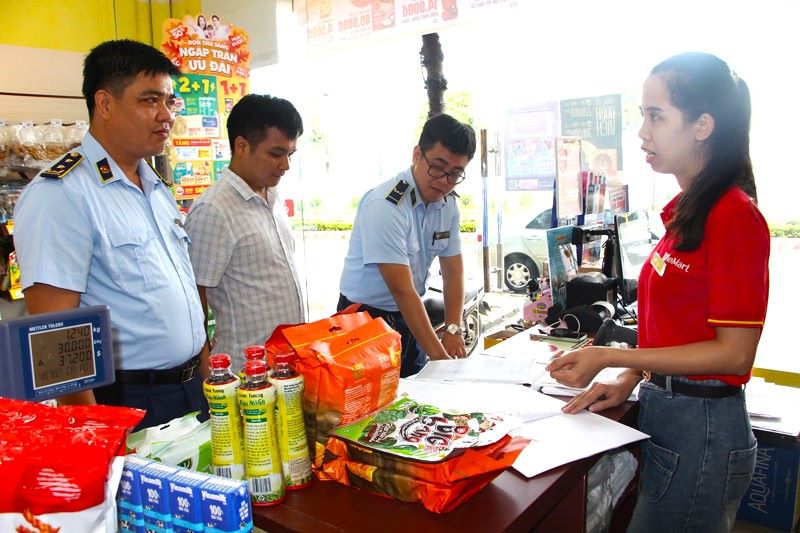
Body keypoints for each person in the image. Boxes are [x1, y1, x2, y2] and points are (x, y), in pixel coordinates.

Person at [546, 52, 770, 532]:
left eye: (655, 116)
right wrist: (630, 379)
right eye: (641, 116)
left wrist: (612, 356)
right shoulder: (687, 211)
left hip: (702, 428)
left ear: (702, 126)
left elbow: (733, 354)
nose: (642, 132)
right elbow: (675, 329)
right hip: (671, 411)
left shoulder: (732, 216)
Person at [13, 39, 208, 430]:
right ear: (104, 104)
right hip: (124, 403)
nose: (166, 115)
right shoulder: (62, 193)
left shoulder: (156, 187)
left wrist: (206, 376)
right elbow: (54, 338)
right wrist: (96, 433)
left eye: (170, 102)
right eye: (150, 100)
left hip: (190, 391)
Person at [338, 114, 476, 377]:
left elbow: (453, 271)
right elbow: (402, 290)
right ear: (417, 154)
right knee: (372, 406)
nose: (444, 181)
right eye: (437, 167)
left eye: (455, 174)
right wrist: (442, 362)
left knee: (416, 393)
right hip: (363, 320)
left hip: (408, 315)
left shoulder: (448, 204)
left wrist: (453, 328)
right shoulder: (386, 205)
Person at [184, 94, 305, 372]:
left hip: (287, 367)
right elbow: (195, 303)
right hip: (245, 375)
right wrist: (209, 380)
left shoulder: (271, 197)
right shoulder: (214, 209)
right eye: (275, 154)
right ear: (241, 146)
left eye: (290, 155)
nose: (285, 165)